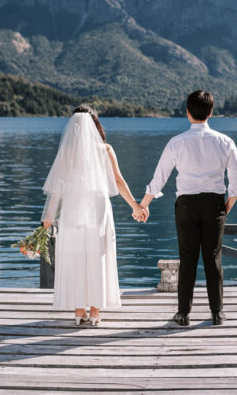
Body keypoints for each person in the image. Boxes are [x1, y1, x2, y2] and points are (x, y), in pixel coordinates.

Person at [139, 90, 237, 326]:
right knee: (213, 258)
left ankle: (183, 313)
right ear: (211, 112)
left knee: (187, 259)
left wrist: (143, 205)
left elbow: (159, 179)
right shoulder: (225, 142)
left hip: (186, 205)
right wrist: (227, 205)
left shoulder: (176, 142)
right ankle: (217, 312)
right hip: (215, 203)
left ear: (187, 113)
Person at [41, 105, 146, 325]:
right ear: (94, 125)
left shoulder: (67, 152)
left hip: (73, 208)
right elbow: (118, 181)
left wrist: (49, 214)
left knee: (76, 255)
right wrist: (135, 207)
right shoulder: (105, 149)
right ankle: (96, 312)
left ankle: (79, 312)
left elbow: (58, 186)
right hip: (98, 208)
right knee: (99, 255)